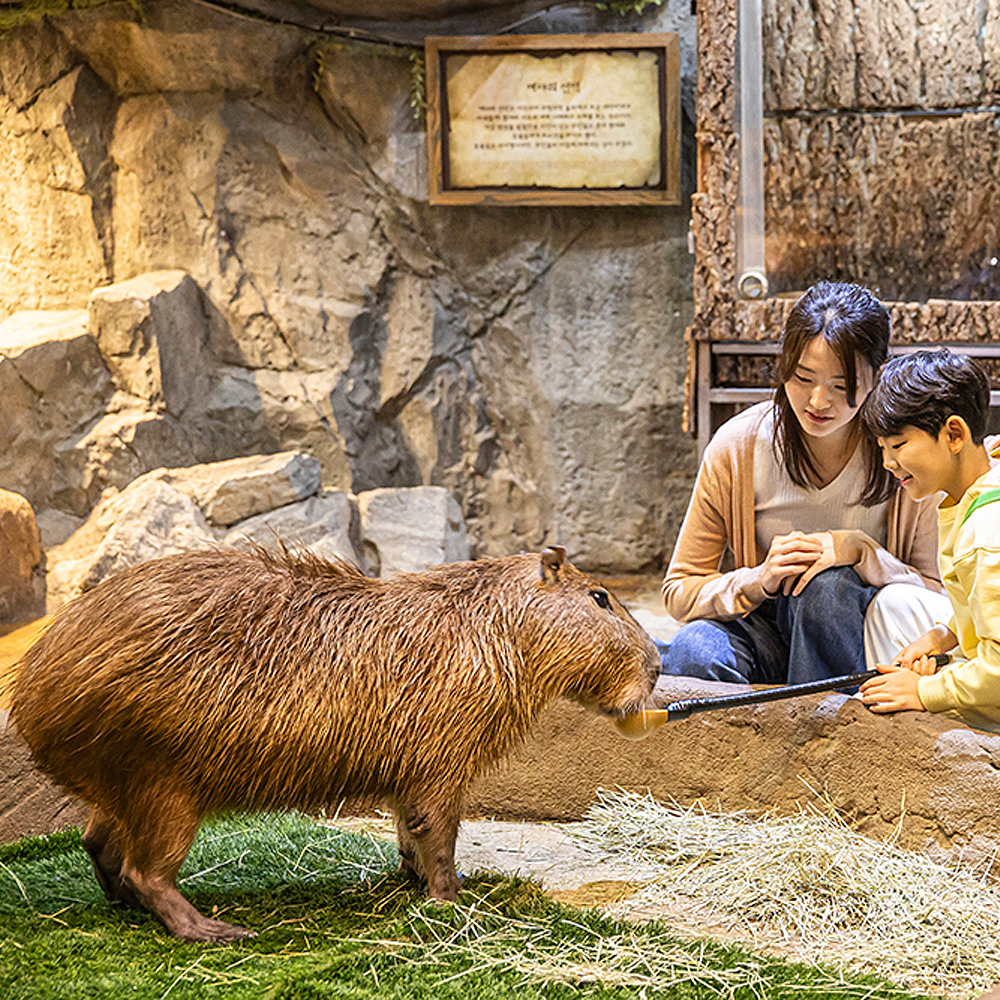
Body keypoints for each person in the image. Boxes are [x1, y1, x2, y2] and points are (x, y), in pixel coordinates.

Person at [660, 281, 949, 686]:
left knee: (827, 591)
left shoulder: (904, 453)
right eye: (802, 377)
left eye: (841, 385)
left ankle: (827, 734)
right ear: (783, 366)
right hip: (761, 626)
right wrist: (760, 578)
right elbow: (680, 590)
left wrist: (860, 551)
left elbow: (936, 595)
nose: (817, 401)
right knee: (693, 653)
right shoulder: (738, 447)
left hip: (858, 636)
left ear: (876, 376)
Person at [859, 349, 1000, 719]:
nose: (888, 463)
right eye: (883, 449)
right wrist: (943, 636)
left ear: (954, 434)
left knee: (902, 706)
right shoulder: (982, 480)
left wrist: (926, 690)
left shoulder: (986, 535)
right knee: (891, 607)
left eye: (898, 445)